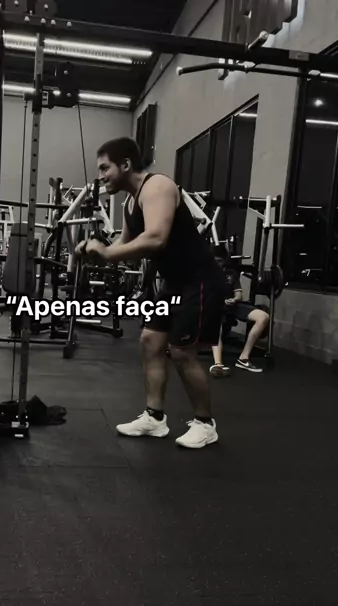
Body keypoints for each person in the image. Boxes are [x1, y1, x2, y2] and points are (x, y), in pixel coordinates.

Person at [76, 137, 224, 449]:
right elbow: (126, 249)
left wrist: (107, 253)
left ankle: (205, 423)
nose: (100, 176)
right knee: (150, 341)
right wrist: (95, 250)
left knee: (182, 352)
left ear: (125, 164)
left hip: (198, 280)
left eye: (104, 168)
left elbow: (156, 238)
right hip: (172, 283)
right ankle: (155, 418)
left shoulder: (157, 187)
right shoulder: (131, 202)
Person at [210, 245, 270, 377]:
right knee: (216, 324)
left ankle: (243, 358)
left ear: (224, 261)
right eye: (214, 261)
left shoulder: (231, 274)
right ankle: (218, 364)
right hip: (213, 307)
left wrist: (234, 299)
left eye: (219, 261)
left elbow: (239, 294)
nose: (217, 264)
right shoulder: (205, 273)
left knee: (263, 317)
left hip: (232, 306)